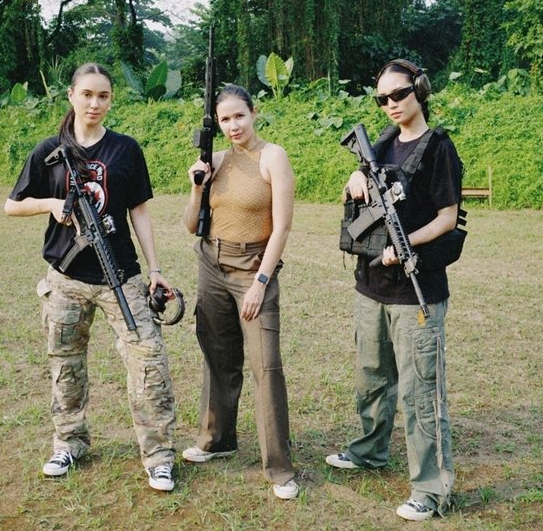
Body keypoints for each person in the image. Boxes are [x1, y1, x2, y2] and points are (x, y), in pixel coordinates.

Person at [4, 63, 178, 492]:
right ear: (71, 96)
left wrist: (154, 270)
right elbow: (12, 205)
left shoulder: (125, 150)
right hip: (66, 277)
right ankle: (69, 441)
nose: (94, 103)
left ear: (110, 100)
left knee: (148, 360)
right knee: (66, 364)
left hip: (120, 274)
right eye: (87, 94)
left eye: (102, 96)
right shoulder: (49, 150)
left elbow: (139, 210)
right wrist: (49, 202)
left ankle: (158, 455)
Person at [326, 59, 461, 522]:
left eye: (398, 95)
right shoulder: (379, 145)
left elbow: (446, 218)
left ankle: (432, 487)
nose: (390, 105)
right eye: (381, 99)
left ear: (420, 91)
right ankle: (369, 450)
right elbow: (354, 196)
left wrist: (405, 248)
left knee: (421, 391)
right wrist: (356, 178)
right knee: (371, 375)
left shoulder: (438, 149)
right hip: (371, 287)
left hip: (415, 288)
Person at [180, 84, 299, 499]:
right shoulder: (213, 160)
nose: (233, 126)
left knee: (265, 366)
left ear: (254, 113)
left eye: (239, 116)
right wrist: (197, 186)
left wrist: (261, 283)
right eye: (225, 119)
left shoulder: (273, 156)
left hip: (254, 269)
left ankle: (279, 468)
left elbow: (282, 226)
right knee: (217, 355)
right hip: (211, 264)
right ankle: (216, 439)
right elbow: (190, 224)